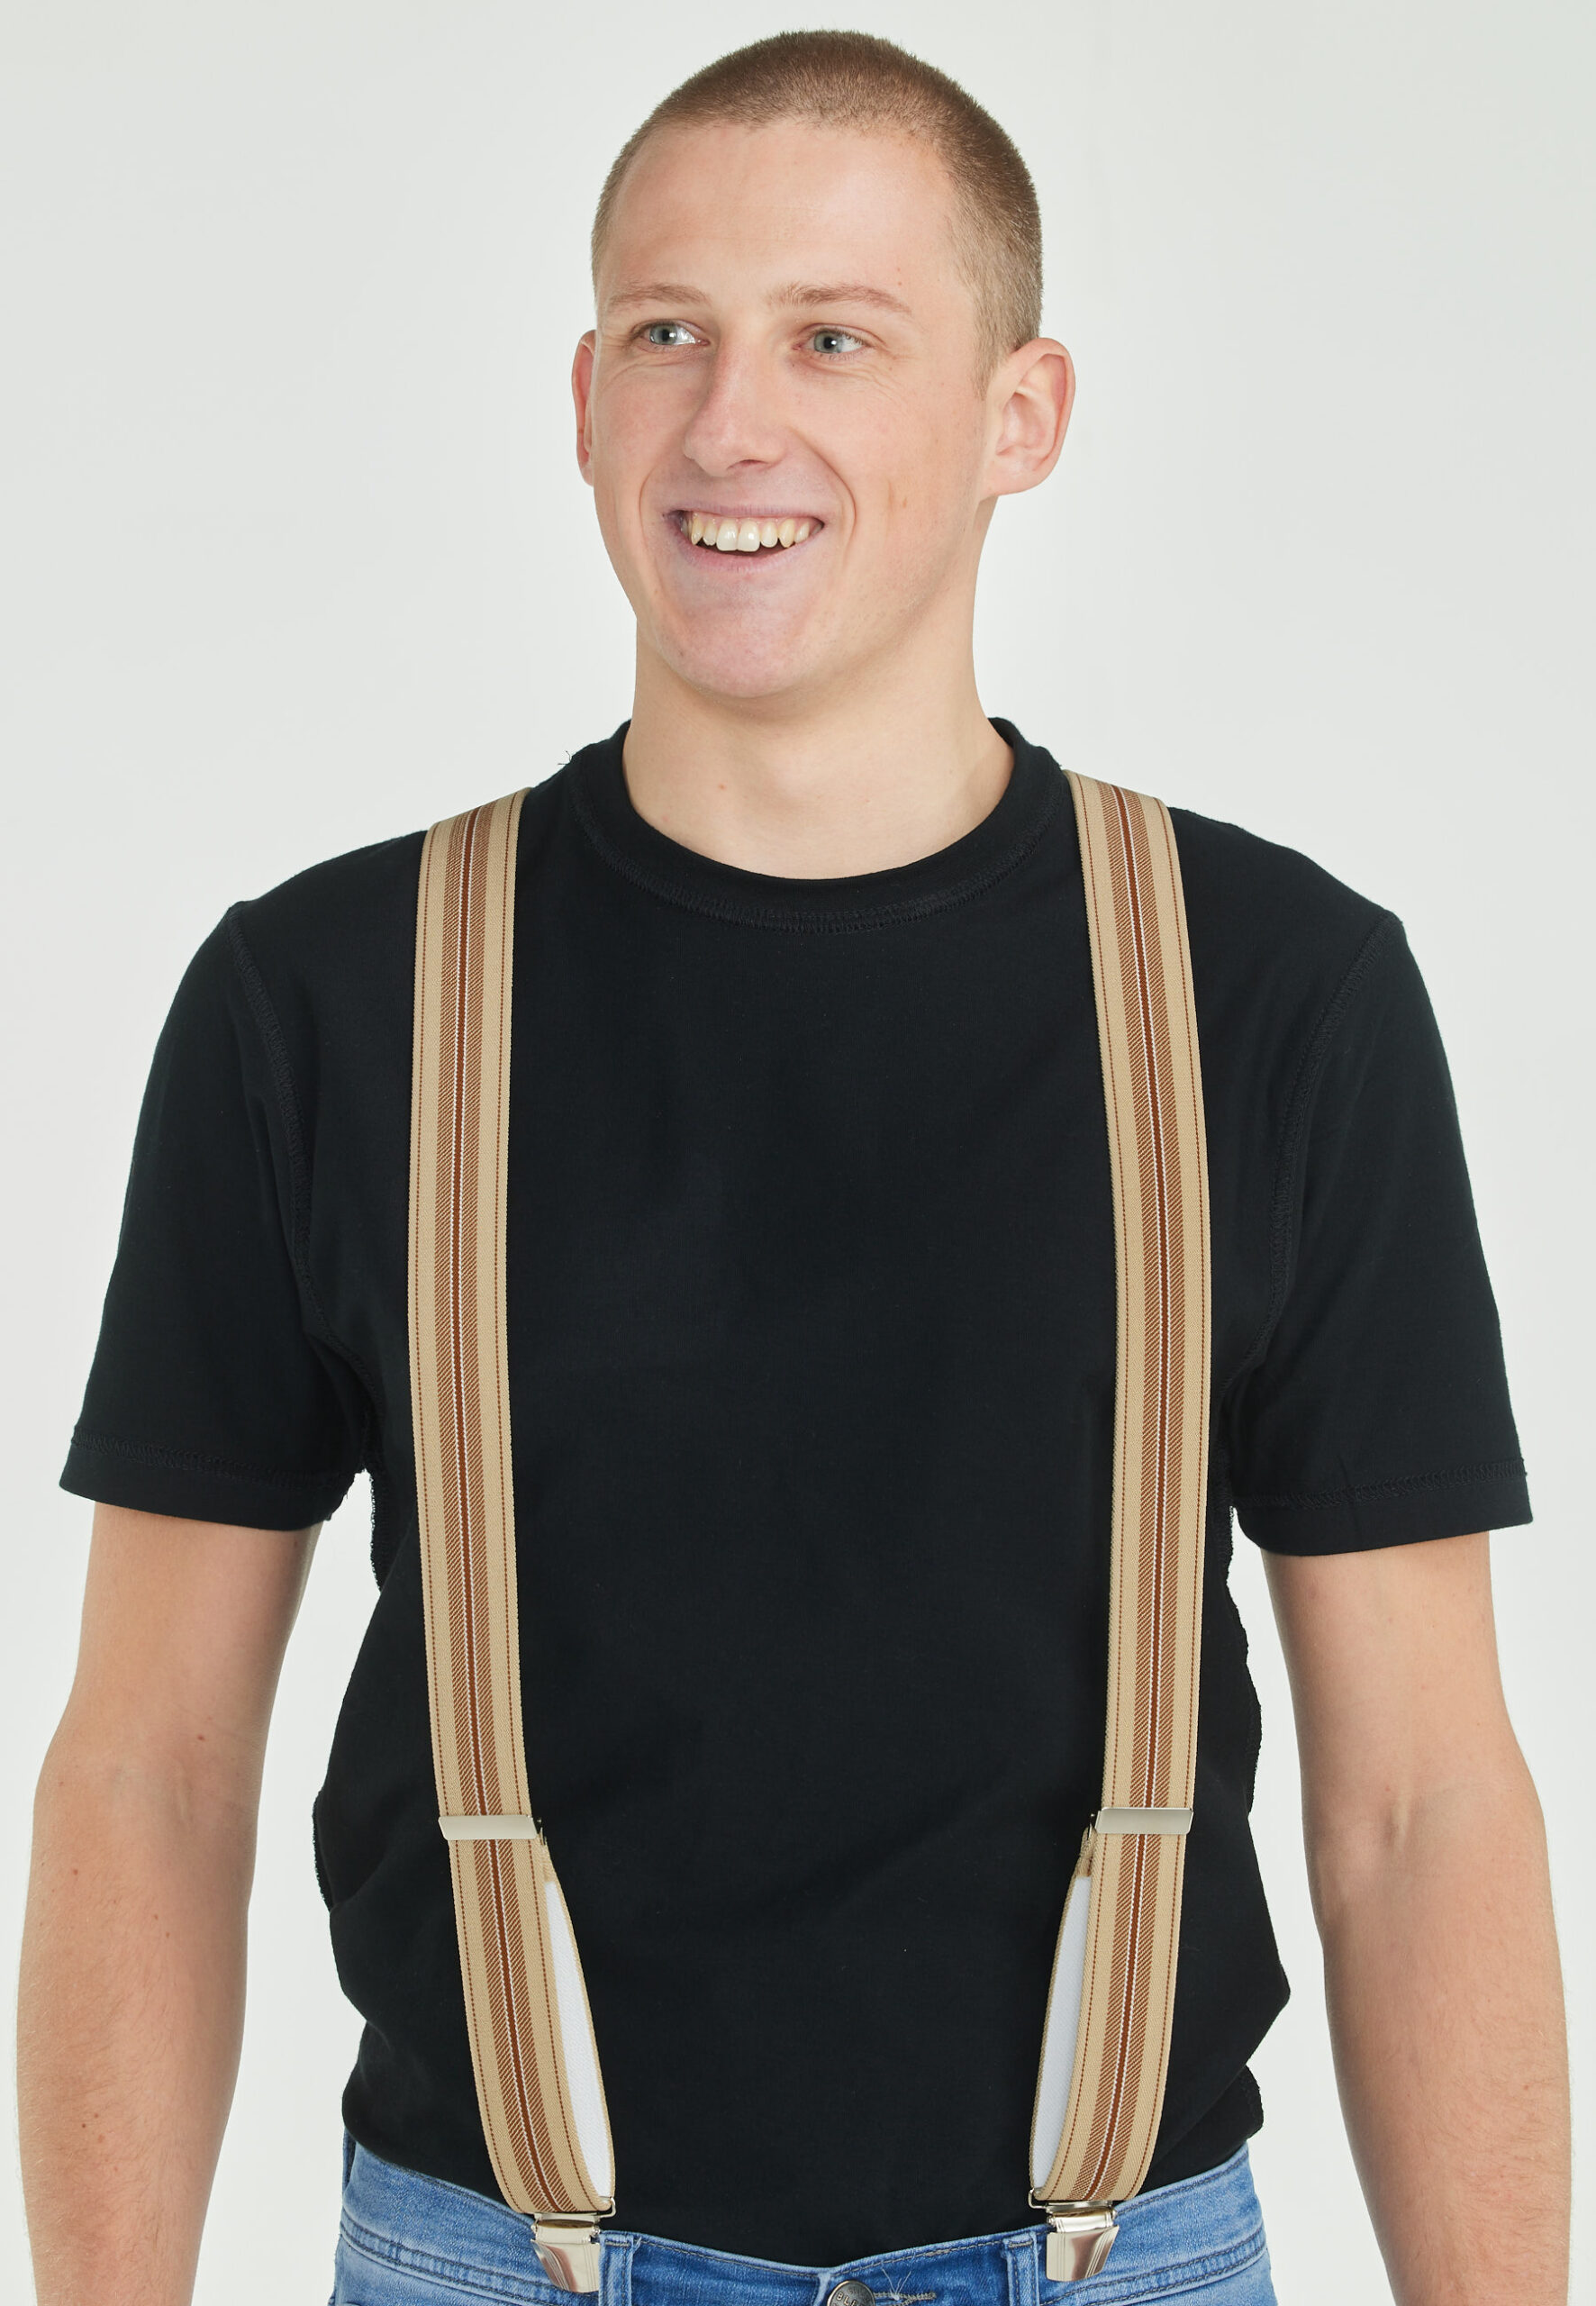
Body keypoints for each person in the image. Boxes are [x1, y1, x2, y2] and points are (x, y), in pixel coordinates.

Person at [18, 29, 1569, 2306]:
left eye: (836, 337)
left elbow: (1420, 1802)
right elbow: (145, 1770)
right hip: (485, 2261)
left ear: (1020, 415)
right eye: (670, 332)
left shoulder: (1272, 994)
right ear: (582, 400)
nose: (732, 423)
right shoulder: (328, 1000)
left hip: (1121, 2261)